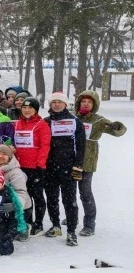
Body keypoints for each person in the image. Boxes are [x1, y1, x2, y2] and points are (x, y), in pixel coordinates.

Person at [73, 90, 127, 236]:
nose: (86, 104)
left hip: (87, 160)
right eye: (83, 101)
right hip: (70, 159)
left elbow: (119, 131)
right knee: (69, 192)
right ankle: (71, 217)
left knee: (85, 192)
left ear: (94, 105)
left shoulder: (98, 120)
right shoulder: (72, 117)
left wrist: (117, 126)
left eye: (89, 102)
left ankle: (89, 224)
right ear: (79, 103)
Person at [43, 92, 86, 246]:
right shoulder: (46, 122)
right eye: (53, 102)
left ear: (65, 104)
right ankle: (55, 226)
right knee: (52, 198)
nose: (56, 104)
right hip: (49, 167)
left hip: (68, 167)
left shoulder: (75, 121)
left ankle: (71, 232)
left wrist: (78, 165)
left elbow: (81, 146)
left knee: (70, 200)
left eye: (59, 102)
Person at [13, 96, 50, 236]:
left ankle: (38, 223)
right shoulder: (17, 124)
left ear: (36, 110)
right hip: (19, 166)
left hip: (35, 167)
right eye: (24, 107)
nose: (27, 110)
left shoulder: (41, 125)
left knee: (37, 195)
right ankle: (27, 221)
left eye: (30, 108)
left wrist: (40, 164)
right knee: (24, 195)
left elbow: (44, 145)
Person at [0, 144, 32, 240]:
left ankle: (24, 226)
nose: (0, 156)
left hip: (17, 205)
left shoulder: (15, 172)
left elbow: (21, 192)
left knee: (13, 232)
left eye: (4, 154)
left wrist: (15, 205)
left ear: (9, 157)